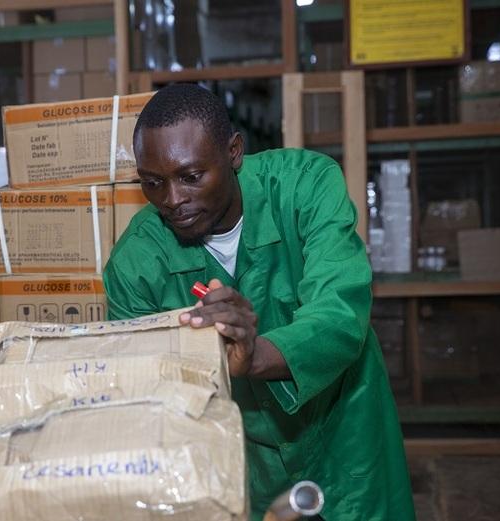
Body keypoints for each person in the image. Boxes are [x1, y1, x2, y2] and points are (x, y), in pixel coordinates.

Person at [103, 83, 416, 521]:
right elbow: (138, 394)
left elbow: (340, 312)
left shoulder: (306, 186)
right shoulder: (135, 262)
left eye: (191, 177)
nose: (172, 200)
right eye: (153, 183)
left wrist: (256, 355)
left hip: (344, 434)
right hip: (240, 457)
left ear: (234, 152)